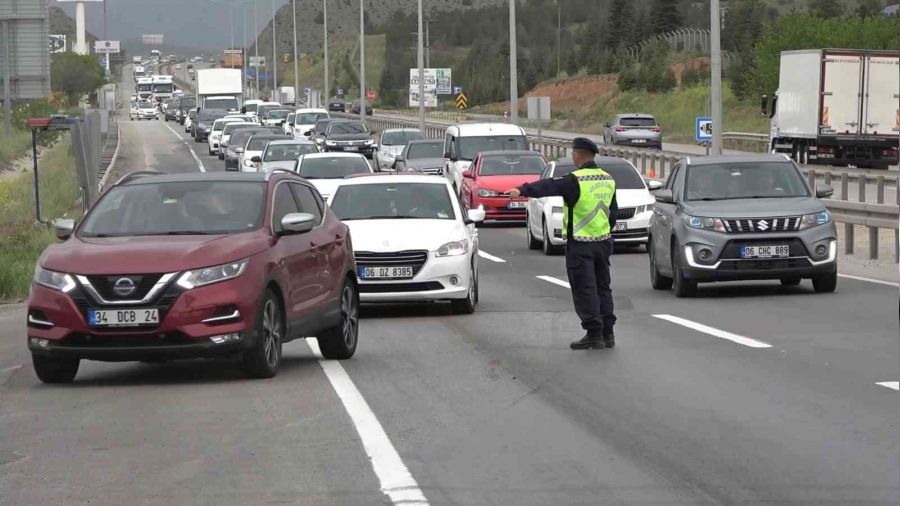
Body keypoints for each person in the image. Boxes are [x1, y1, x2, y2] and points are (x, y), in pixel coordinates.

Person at [509, 138, 618, 350]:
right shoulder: (608, 179)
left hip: (580, 244)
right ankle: (608, 333)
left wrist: (522, 190)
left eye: (573, 153)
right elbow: (613, 212)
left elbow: (548, 186)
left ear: (577, 155)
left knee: (585, 288)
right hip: (603, 243)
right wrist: (602, 230)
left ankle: (594, 334)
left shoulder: (575, 180)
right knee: (603, 288)